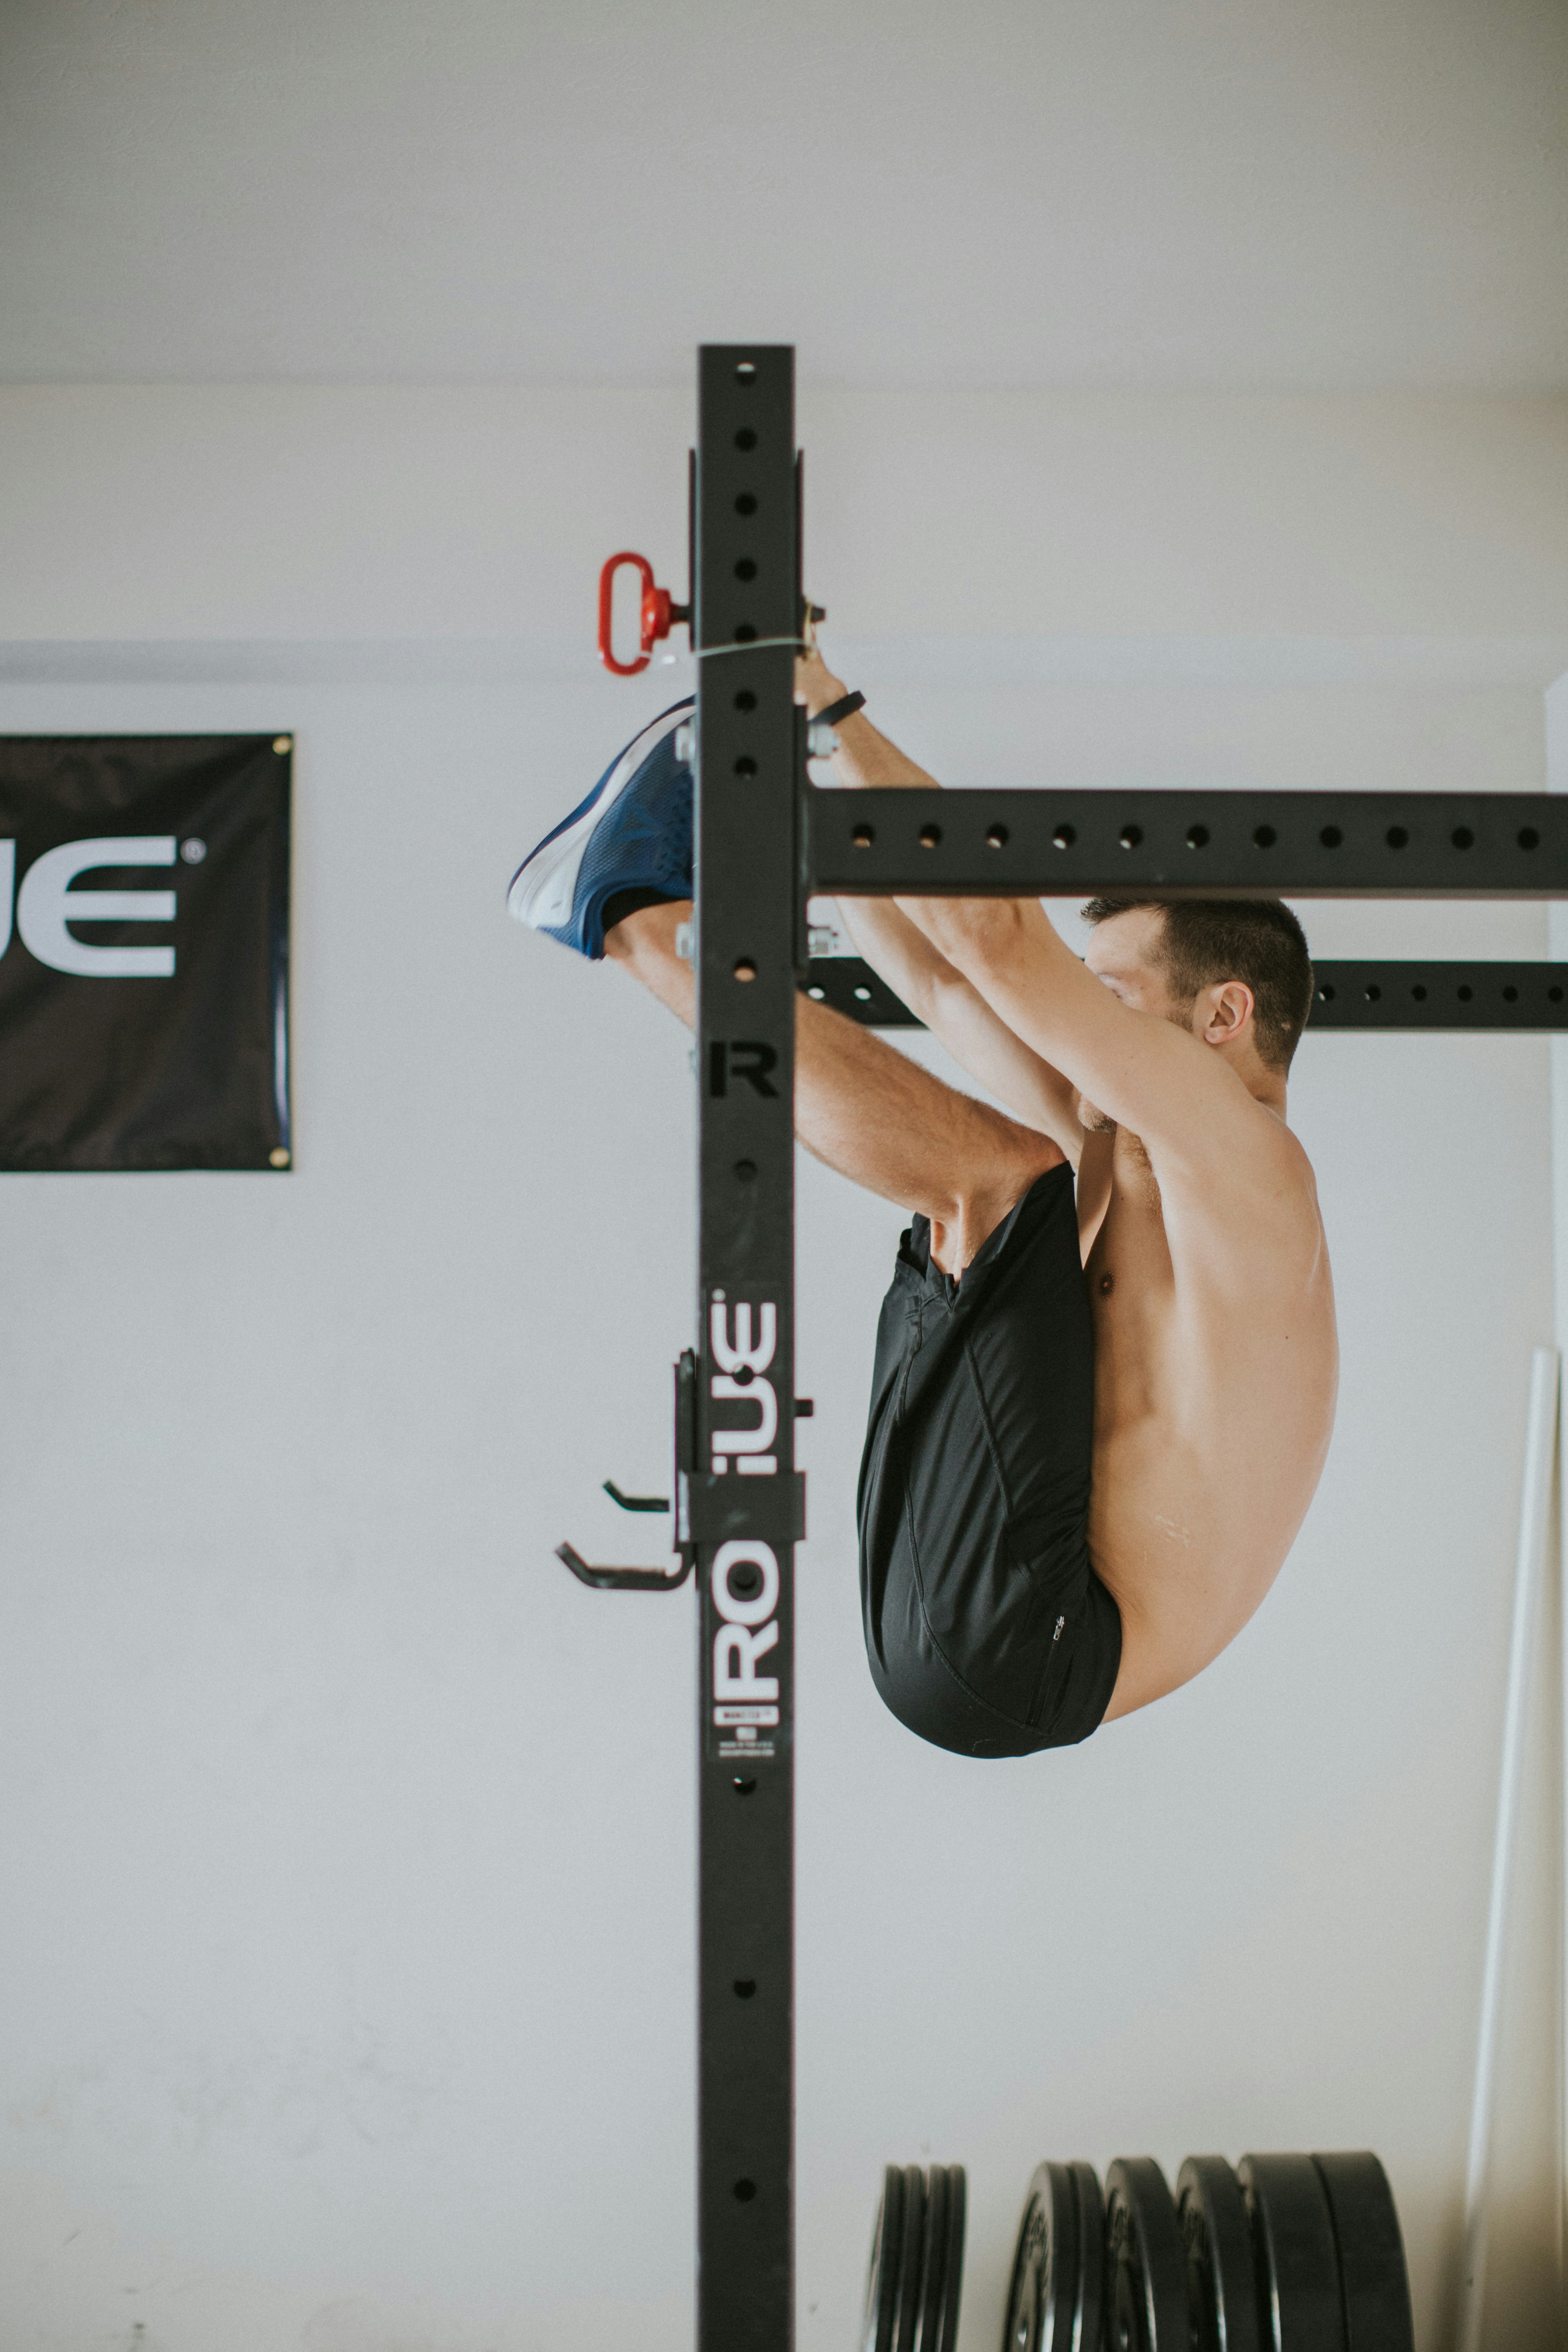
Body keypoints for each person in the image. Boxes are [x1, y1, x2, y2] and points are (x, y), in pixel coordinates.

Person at [508, 652, 1338, 1759]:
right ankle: (646, 926)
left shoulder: (1253, 1167)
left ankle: (639, 926)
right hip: (977, 1619)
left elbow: (999, 942)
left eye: (1111, 996)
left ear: (1222, 1017)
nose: (1084, 1021)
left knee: (998, 1182)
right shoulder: (1124, 1148)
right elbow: (948, 981)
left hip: (1036, 1644)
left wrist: (823, 701)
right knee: (1000, 1186)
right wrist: (802, 787)